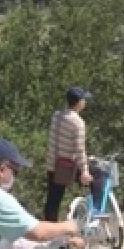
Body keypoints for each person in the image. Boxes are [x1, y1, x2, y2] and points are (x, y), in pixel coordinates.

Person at [42, 86, 94, 222]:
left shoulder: (56, 116)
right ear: (79, 103)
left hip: (52, 164)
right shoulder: (78, 123)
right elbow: (79, 150)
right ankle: (88, 215)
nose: (85, 102)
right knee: (96, 180)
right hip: (65, 167)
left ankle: (49, 228)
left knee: (53, 200)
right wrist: (85, 171)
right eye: (84, 100)